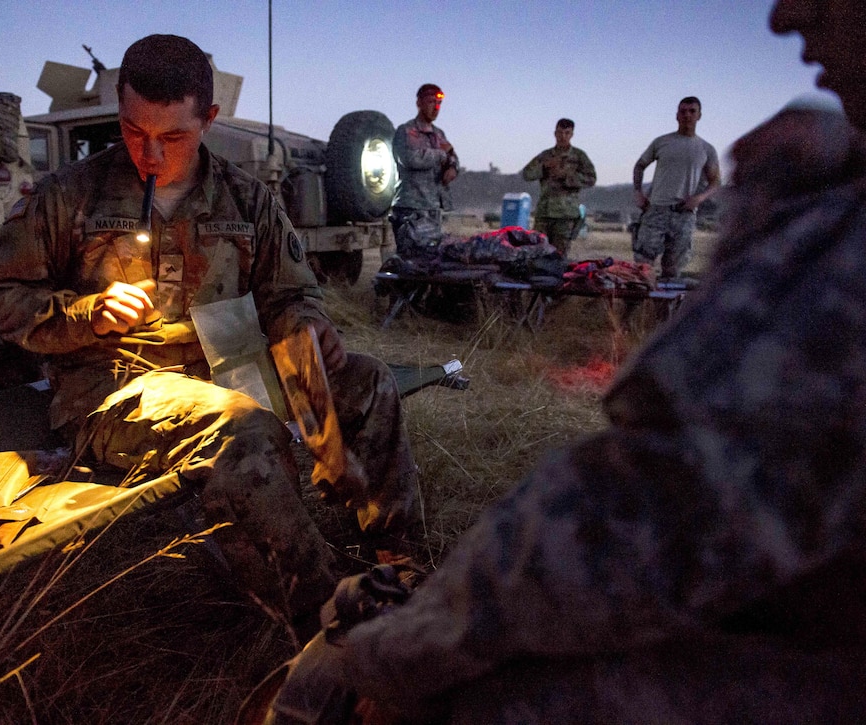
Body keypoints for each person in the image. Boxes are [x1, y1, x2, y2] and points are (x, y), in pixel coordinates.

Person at [261, 1, 866, 721]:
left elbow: (644, 517)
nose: (785, 18)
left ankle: (390, 566)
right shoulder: (409, 138)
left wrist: (394, 650)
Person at [0, 34, 420, 632]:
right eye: (135, 133)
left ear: (209, 120)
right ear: (120, 114)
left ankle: (400, 562)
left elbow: (290, 294)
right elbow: (2, 300)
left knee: (367, 383)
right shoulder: (68, 197)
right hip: (119, 388)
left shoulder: (248, 200)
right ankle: (330, 624)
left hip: (229, 366)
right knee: (243, 430)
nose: (151, 155)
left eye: (173, 137)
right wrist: (89, 312)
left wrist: (310, 330)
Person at [632, 96, 721, 279]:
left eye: (692, 111)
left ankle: (667, 307)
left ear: (699, 115)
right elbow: (640, 165)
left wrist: (699, 199)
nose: (687, 115)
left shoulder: (706, 149)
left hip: (684, 215)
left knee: (673, 272)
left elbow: (715, 182)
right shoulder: (661, 142)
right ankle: (641, 306)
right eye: (683, 111)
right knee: (642, 268)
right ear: (676, 115)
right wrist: (638, 192)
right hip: (656, 211)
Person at [390, 84, 459, 257]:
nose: (436, 108)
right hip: (410, 208)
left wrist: (452, 168)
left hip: (433, 208)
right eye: (431, 102)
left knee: (431, 258)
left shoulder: (439, 134)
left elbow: (453, 157)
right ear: (419, 103)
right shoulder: (406, 131)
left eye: (439, 103)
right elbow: (410, 159)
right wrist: (441, 155)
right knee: (409, 258)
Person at [520, 118, 597, 257]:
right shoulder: (546, 156)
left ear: (572, 134)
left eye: (567, 133)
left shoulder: (579, 156)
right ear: (555, 133)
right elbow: (526, 174)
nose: (563, 137)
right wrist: (543, 167)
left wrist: (567, 177)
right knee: (536, 253)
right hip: (544, 214)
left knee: (558, 257)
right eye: (560, 133)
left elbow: (591, 179)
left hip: (565, 215)